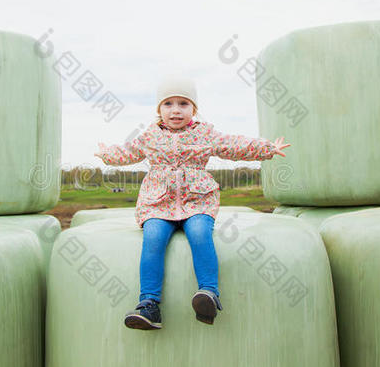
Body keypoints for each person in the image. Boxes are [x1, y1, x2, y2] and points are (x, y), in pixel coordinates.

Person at [93, 75, 291, 330]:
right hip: (158, 203)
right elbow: (128, 152)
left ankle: (208, 293)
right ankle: (149, 304)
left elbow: (233, 145)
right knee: (153, 238)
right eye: (169, 104)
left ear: (193, 109)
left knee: (199, 233)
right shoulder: (150, 135)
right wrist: (106, 154)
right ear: (159, 110)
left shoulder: (205, 133)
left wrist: (266, 148)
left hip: (197, 201)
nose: (176, 110)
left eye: (183, 103)